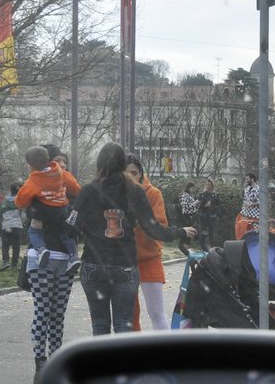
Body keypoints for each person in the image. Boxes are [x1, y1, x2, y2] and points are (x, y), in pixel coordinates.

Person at [75, 143, 195, 337]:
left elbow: (72, 223)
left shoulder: (89, 190)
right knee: (124, 324)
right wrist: (180, 232)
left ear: (99, 163)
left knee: (99, 325)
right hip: (124, 265)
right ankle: (125, 365)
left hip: (94, 263)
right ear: (123, 164)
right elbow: (153, 228)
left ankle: (102, 365)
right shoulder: (134, 191)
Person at [126, 158, 172, 331]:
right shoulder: (116, 193)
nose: (130, 177)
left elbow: (159, 225)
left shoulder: (153, 193)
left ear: (141, 174)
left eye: (134, 173)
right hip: (125, 261)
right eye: (126, 173)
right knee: (130, 315)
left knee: (156, 313)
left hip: (150, 258)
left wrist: (139, 223)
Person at [15, 145, 80, 256]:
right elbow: (76, 189)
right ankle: (73, 256)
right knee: (66, 235)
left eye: (64, 161)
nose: (63, 164)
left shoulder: (33, 182)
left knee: (34, 232)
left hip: (47, 237)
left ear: (30, 166)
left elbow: (21, 202)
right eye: (58, 161)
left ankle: (41, 249)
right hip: (62, 217)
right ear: (48, 161)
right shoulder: (61, 174)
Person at [0, 183, 25, 270]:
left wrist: (1, 223)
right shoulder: (20, 201)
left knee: (5, 245)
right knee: (16, 246)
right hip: (17, 226)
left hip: (6, 226)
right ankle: (14, 264)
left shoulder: (4, 202)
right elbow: (24, 216)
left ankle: (6, 261)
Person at [196, 178, 220, 248]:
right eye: (206, 184)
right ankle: (202, 246)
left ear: (212, 186)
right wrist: (204, 206)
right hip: (203, 216)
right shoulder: (202, 195)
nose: (207, 186)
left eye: (209, 185)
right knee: (203, 232)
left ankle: (210, 247)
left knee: (211, 232)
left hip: (212, 216)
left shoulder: (215, 195)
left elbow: (218, 205)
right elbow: (198, 206)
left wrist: (212, 206)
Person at [236, 172, 260, 239]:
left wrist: (252, 204)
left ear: (252, 179)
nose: (246, 181)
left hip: (254, 215)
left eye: (247, 179)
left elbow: (261, 202)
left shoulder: (258, 189)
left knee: (253, 230)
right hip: (245, 213)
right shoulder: (247, 189)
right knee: (242, 228)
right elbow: (245, 199)